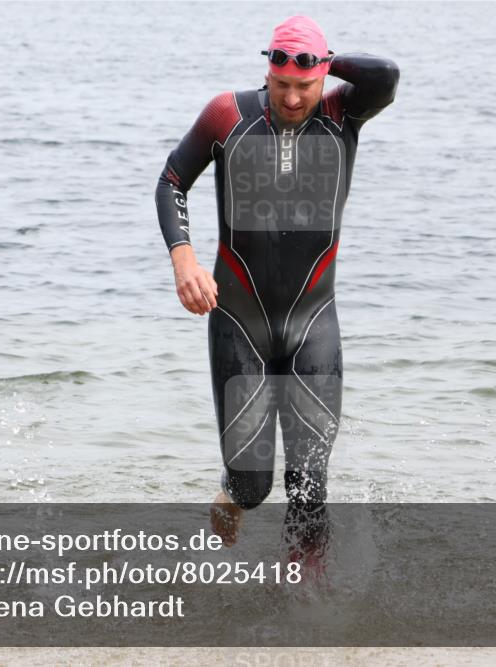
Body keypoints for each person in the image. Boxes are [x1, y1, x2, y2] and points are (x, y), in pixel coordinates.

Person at [154, 15, 399, 561]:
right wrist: (184, 260)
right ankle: (231, 494)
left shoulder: (343, 113)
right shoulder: (228, 115)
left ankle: (304, 605)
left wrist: (322, 59)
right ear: (267, 71)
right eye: (281, 83)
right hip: (240, 321)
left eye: (305, 86)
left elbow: (384, 74)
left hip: (314, 322)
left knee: (309, 484)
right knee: (252, 485)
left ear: (325, 77)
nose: (292, 98)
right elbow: (172, 180)